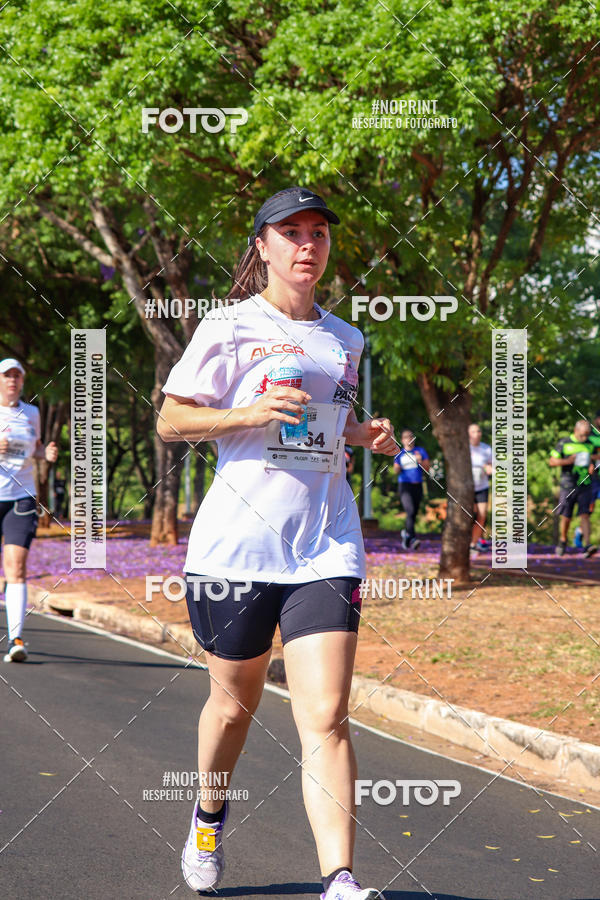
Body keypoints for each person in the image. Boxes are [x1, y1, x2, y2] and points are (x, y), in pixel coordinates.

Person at [158, 187, 396, 900]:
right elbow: (172, 420)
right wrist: (250, 411)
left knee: (325, 715)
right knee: (234, 708)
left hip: (325, 543)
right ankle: (207, 818)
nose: (307, 245)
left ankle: (341, 879)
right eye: (290, 232)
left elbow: (318, 430)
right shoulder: (229, 325)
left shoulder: (344, 339)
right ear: (262, 246)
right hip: (236, 548)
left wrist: (359, 434)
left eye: (318, 232)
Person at [0, 358, 58, 662]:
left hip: (22, 497)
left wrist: (44, 452)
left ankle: (16, 639)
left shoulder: (31, 412)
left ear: (22, 382)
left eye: (17, 376)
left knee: (17, 568)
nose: (12, 380)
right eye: (7, 375)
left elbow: (34, 447)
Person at [549, 419, 597, 557]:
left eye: (587, 435)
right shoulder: (564, 443)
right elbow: (552, 461)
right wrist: (568, 461)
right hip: (568, 485)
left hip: (585, 484)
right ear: (576, 431)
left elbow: (593, 459)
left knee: (585, 514)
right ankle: (563, 540)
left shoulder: (590, 444)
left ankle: (587, 545)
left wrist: (591, 465)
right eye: (583, 435)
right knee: (566, 516)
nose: (585, 438)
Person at [392, 428, 430, 550]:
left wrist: (419, 461)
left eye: (411, 436)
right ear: (402, 440)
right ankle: (413, 538)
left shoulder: (420, 451)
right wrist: (398, 467)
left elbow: (427, 469)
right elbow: (395, 470)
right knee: (410, 510)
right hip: (405, 485)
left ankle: (407, 535)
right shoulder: (399, 453)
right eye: (406, 437)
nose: (409, 439)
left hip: (417, 485)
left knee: (413, 514)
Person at [469, 423, 493, 552]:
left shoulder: (486, 449)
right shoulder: (465, 448)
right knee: (470, 516)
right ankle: (469, 542)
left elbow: (492, 465)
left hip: (482, 486)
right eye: (474, 432)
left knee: (482, 515)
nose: (477, 434)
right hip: (467, 489)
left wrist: (490, 468)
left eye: (478, 431)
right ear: (468, 434)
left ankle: (473, 544)